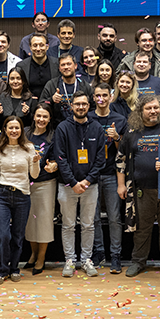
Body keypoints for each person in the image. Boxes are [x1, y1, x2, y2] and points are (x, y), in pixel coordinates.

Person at [117, 94, 160, 278]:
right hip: (141, 189)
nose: (153, 111)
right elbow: (121, 159)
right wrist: (121, 185)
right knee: (141, 228)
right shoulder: (132, 132)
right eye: (148, 108)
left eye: (156, 107)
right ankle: (138, 262)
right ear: (140, 111)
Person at [53, 92, 106, 277]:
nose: (81, 107)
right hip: (67, 186)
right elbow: (60, 158)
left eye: (84, 104)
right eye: (77, 104)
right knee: (68, 225)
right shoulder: (62, 128)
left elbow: (100, 159)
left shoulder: (97, 128)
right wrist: (73, 182)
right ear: (72, 106)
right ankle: (69, 259)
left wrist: (87, 180)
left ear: (89, 106)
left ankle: (86, 259)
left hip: (90, 185)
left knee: (88, 225)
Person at [0, 116, 41, 284]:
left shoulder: (29, 147)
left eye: (17, 128)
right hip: (2, 195)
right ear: (5, 130)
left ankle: (14, 269)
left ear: (21, 130)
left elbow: (34, 175)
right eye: (10, 128)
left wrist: (36, 162)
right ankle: (2, 269)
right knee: (3, 235)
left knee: (18, 236)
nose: (14, 131)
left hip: (22, 195)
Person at [88, 83, 128, 273]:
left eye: (105, 95)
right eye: (98, 95)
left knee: (114, 217)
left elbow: (125, 150)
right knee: (93, 217)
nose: (101, 99)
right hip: (92, 175)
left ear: (111, 97)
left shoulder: (119, 119)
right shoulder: (87, 118)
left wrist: (117, 138)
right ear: (93, 97)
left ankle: (116, 255)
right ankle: (99, 252)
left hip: (112, 173)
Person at [23, 104, 58, 275]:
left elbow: (57, 158)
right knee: (30, 221)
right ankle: (33, 254)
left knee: (43, 220)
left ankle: (41, 257)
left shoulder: (53, 136)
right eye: (38, 116)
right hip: (25, 184)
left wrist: (54, 165)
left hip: (45, 183)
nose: (41, 120)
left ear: (50, 119)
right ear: (34, 117)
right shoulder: (25, 133)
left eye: (45, 116)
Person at [40, 54, 93, 125]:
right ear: (59, 68)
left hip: (80, 125)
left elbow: (93, 107)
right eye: (63, 65)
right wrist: (52, 100)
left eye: (69, 64)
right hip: (57, 126)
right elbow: (41, 104)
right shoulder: (51, 85)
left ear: (75, 66)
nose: (66, 67)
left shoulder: (84, 86)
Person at [20, 33, 58, 98]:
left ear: (47, 46)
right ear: (30, 47)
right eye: (35, 45)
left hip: (52, 102)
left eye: (41, 45)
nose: (38, 49)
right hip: (28, 102)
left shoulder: (57, 64)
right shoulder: (21, 66)